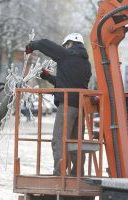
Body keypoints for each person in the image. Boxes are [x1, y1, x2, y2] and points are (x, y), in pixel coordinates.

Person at [25, 33, 92, 176]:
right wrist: (47, 76)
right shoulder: (86, 63)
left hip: (68, 106)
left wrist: (32, 45)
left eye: (65, 46)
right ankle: (77, 172)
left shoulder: (68, 55)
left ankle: (60, 173)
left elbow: (44, 43)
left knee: (59, 140)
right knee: (76, 141)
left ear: (69, 44)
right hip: (81, 107)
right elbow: (68, 83)